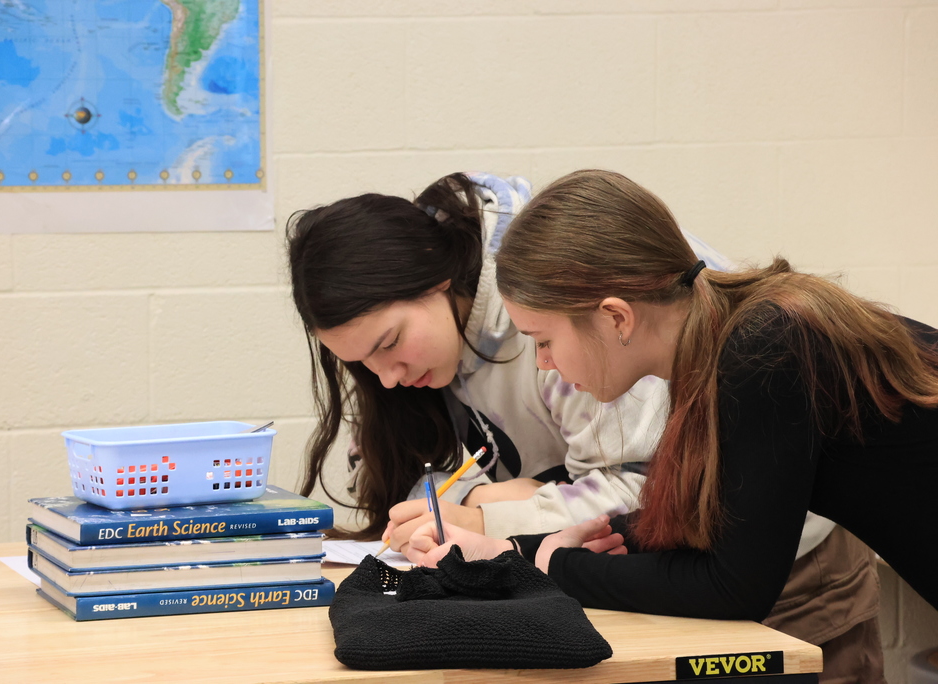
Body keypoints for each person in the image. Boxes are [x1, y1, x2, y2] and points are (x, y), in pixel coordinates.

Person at [288, 172, 885, 682]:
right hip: (667, 566)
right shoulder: (455, 343)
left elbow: (658, 502)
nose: (386, 378)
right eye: (361, 364)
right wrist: (480, 503)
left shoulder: (575, 312)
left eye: (389, 344)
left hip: (783, 570)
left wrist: (503, 528)